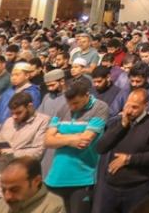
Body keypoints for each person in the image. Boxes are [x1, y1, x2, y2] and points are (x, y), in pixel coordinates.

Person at [95, 88, 149, 213]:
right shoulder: (116, 123)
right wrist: (122, 126)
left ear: (145, 106)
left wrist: (129, 159)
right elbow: (100, 147)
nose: (129, 111)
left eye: (135, 107)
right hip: (111, 188)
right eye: (127, 105)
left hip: (138, 189)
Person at [43, 80, 110, 213]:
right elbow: (47, 141)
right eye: (69, 103)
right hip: (55, 177)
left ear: (87, 95)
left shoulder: (100, 107)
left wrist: (59, 137)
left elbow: (84, 140)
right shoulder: (63, 108)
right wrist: (71, 140)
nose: (72, 107)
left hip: (82, 178)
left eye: (76, 103)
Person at [0, 91, 51, 195]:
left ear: (30, 107)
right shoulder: (8, 122)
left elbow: (38, 152)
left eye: (18, 113)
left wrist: (12, 153)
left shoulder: (42, 121)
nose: (14, 116)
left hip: (18, 182)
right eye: (12, 113)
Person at [0, 157, 66, 213]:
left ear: (36, 181)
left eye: (14, 190)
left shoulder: (54, 207)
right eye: (3, 190)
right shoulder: (0, 206)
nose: (7, 197)